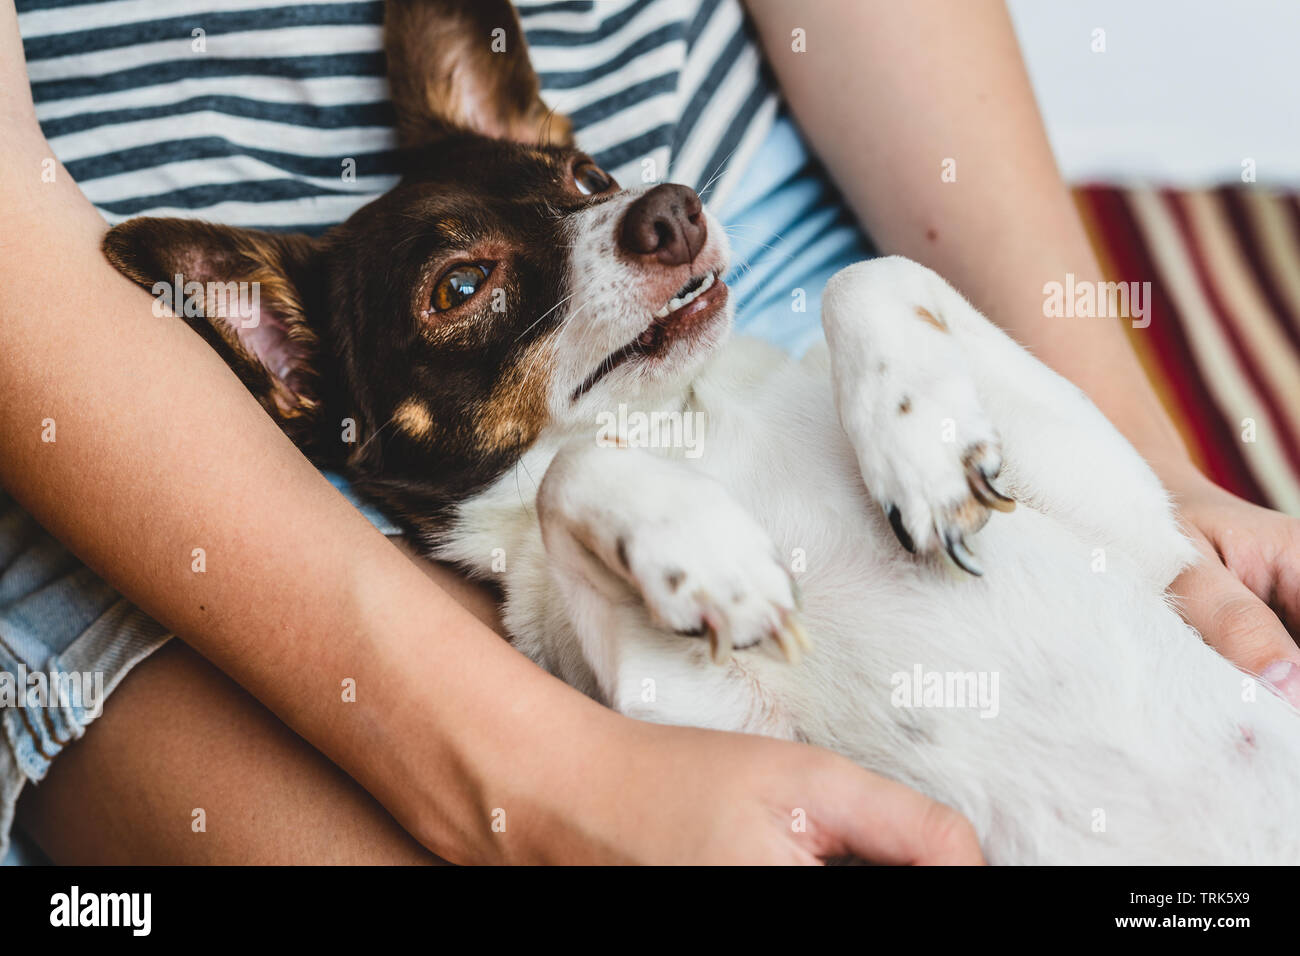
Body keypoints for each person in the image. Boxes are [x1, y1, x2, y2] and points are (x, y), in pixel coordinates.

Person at [0, 0, 1289, 866]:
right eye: (464, 287)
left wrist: (1159, 474)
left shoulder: (841, 355)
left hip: (772, 276)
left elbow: (1114, 524)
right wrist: (522, 766)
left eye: (585, 191)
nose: (633, 219)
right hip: (150, 459)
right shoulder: (558, 589)